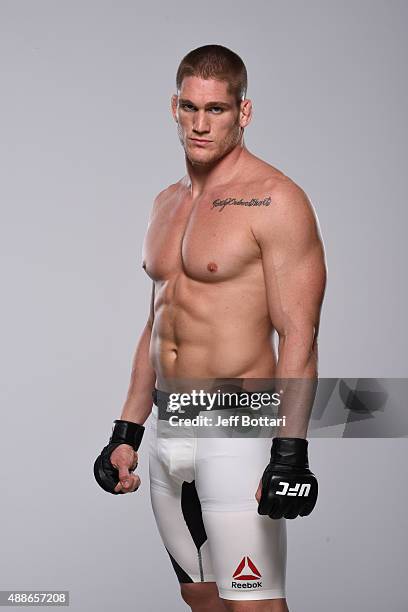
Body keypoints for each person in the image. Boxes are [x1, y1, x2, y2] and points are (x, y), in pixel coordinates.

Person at [94, 44, 326, 611]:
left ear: (243, 113)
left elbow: (299, 335)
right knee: (200, 600)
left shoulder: (276, 200)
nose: (201, 124)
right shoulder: (165, 203)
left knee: (255, 607)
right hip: (171, 434)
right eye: (190, 108)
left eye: (217, 110)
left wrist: (291, 451)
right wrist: (127, 431)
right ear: (174, 106)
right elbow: (156, 325)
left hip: (238, 433)